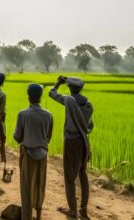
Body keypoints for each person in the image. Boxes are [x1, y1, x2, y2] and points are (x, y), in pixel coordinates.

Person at [49, 76, 94, 220]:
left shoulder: (68, 101)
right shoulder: (89, 104)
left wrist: (58, 82)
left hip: (71, 142)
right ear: (81, 88)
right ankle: (84, 209)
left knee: (69, 178)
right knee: (82, 174)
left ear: (70, 87)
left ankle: (73, 211)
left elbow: (52, 93)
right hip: (84, 142)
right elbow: (90, 126)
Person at [14, 84, 53, 220]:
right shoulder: (49, 115)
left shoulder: (23, 114)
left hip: (28, 153)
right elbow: (48, 137)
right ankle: (39, 214)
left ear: (28, 96)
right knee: (40, 184)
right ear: (41, 96)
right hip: (43, 153)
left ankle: (27, 217)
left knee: (26, 188)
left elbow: (17, 136)